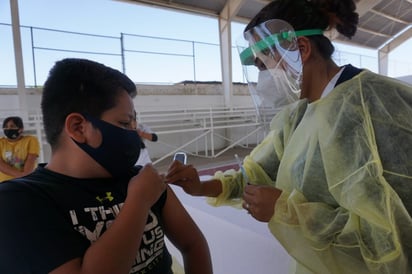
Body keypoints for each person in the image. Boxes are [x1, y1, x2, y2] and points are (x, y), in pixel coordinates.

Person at [166, 0, 412, 273]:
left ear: (301, 49)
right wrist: (201, 186)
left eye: (263, 66)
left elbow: (394, 233)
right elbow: (257, 175)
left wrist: (286, 211)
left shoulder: (378, 103)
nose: (262, 80)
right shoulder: (298, 115)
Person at [0, 58, 212, 274]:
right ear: (78, 127)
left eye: (134, 124)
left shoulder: (140, 180)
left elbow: (193, 244)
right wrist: (138, 202)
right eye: (124, 123)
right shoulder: (19, 201)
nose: (134, 133)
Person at [0, 116, 40, 182]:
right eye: (6, 127)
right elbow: (1, 165)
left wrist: (25, 178)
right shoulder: (1, 142)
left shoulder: (31, 140)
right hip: (5, 182)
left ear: (21, 129)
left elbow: (31, 160)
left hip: (26, 181)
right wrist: (22, 176)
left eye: (12, 126)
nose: (8, 129)